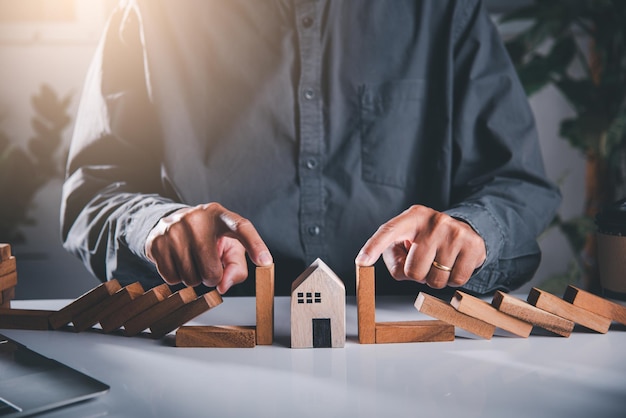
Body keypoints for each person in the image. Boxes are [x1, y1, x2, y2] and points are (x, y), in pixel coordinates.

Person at [61, 0, 560, 297]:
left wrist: (471, 232)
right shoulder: (151, 13)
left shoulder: (443, 10)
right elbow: (95, 196)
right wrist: (154, 226)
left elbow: (517, 182)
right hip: (208, 347)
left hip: (417, 358)